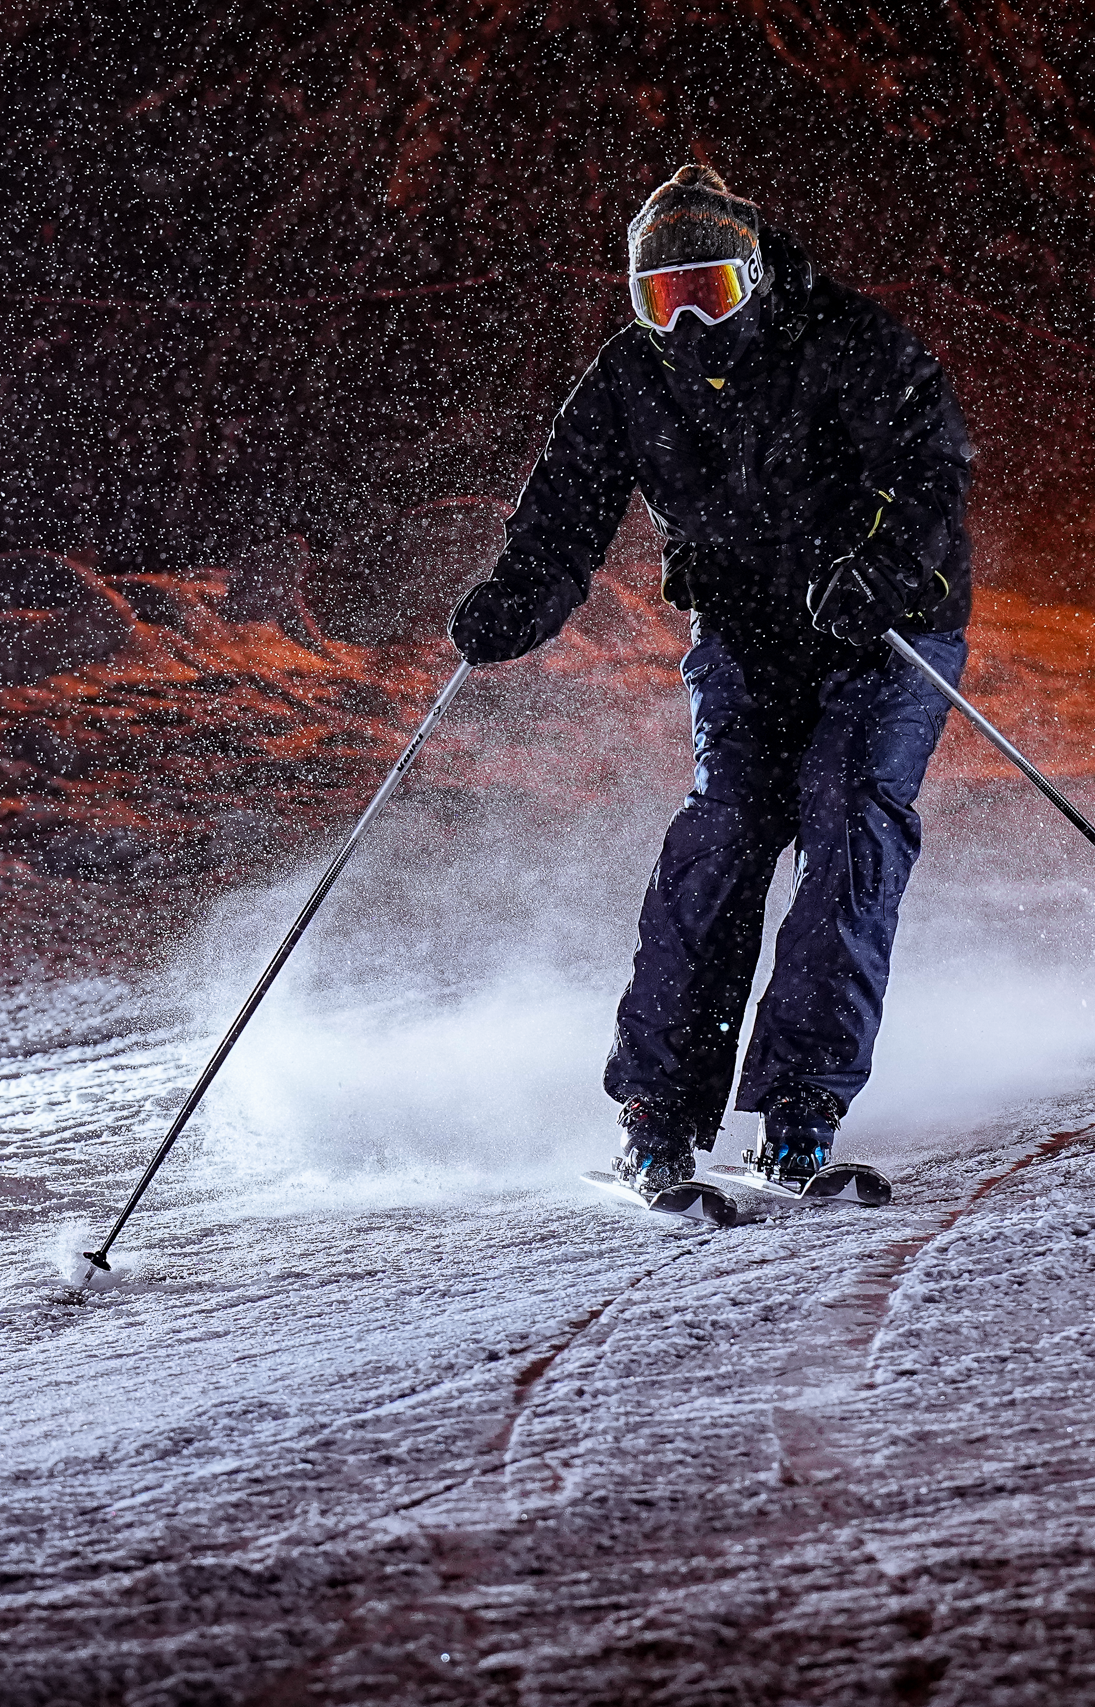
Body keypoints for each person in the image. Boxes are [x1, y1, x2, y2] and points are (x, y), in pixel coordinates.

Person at [449, 164, 973, 1194]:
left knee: (849, 818)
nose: (688, 325)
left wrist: (880, 567)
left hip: (881, 627)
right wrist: (517, 600)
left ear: (756, 276)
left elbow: (930, 472)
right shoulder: (628, 378)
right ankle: (658, 1106)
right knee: (724, 829)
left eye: (711, 295)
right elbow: (563, 514)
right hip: (747, 628)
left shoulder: (852, 344)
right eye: (662, 301)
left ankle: (803, 1104)